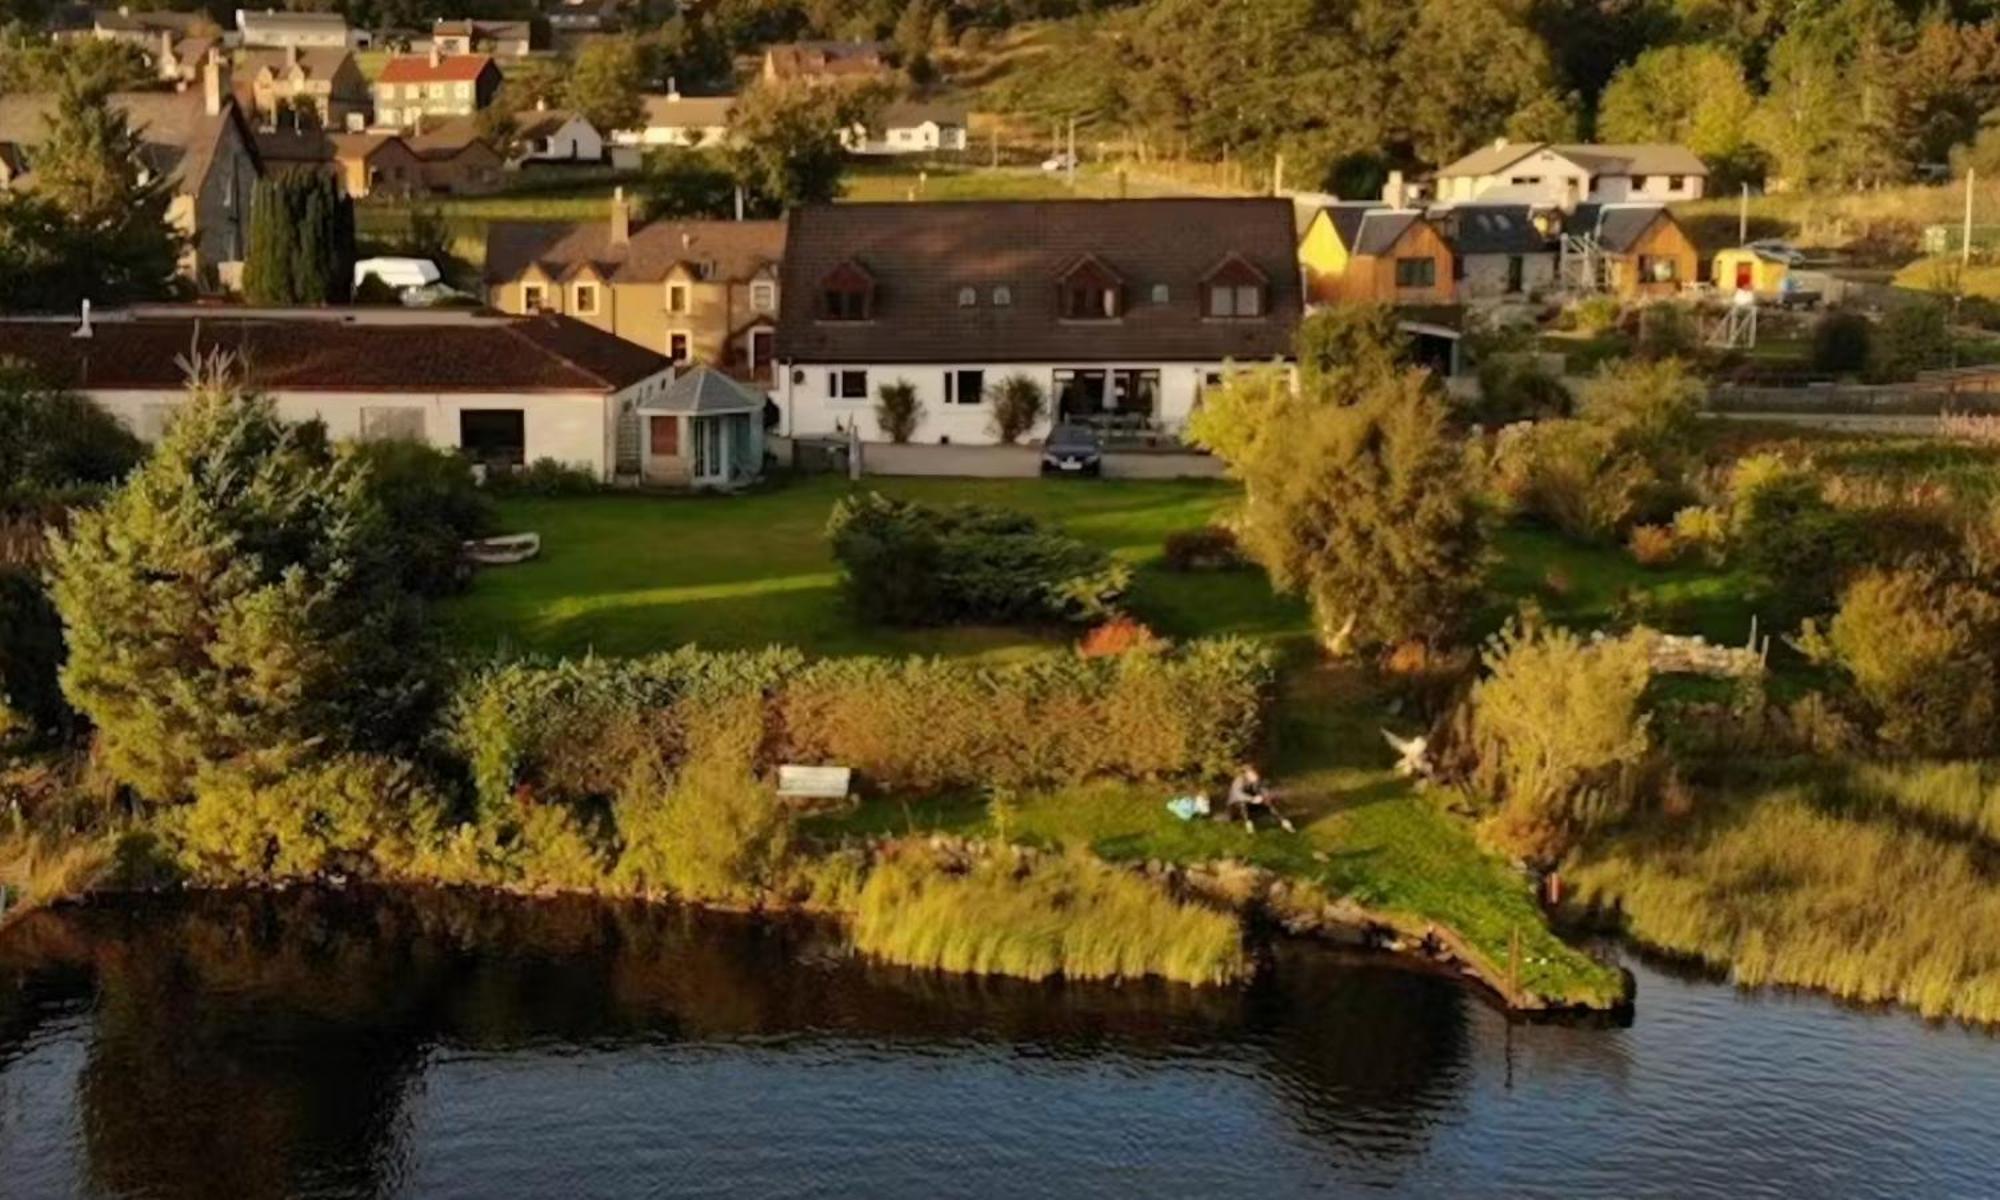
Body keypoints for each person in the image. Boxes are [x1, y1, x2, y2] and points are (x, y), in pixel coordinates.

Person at [1226, 764, 1293, 833]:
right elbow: (1238, 794)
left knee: (1267, 802)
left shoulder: (1256, 781)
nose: (1255, 775)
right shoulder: (1239, 780)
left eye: (1255, 773)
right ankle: (1249, 825)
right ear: (1247, 774)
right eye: (1252, 773)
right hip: (1236, 806)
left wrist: (1265, 797)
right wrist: (1252, 799)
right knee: (1242, 804)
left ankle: (1284, 821)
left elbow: (1263, 789)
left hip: (1251, 803)